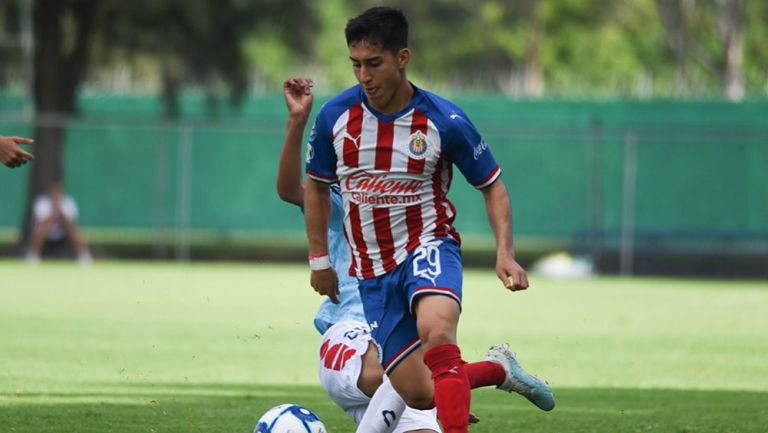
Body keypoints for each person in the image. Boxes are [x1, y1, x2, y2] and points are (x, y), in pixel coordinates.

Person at [302, 7, 554, 433]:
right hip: (372, 273)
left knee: (437, 333)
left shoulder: (443, 120)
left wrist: (505, 253)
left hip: (428, 246)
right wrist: (319, 260)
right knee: (420, 391)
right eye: (356, 65)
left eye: (374, 63)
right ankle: (497, 369)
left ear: (403, 58)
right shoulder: (335, 118)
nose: (364, 76)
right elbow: (314, 186)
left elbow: (491, 184)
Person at [279, 77, 444, 433]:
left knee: (417, 391)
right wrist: (297, 121)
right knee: (412, 380)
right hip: (351, 336)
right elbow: (292, 189)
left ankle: (435, 385)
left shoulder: (420, 214)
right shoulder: (342, 200)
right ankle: (494, 370)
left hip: (401, 345)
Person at [26, 182, 93, 265]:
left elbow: (72, 224)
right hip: (47, 235)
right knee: (39, 231)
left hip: (63, 235)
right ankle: (33, 255)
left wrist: (60, 211)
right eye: (54, 192)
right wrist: (53, 213)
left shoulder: (68, 202)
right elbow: (41, 224)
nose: (56, 194)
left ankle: (83, 255)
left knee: (75, 232)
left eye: (58, 192)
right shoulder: (42, 203)